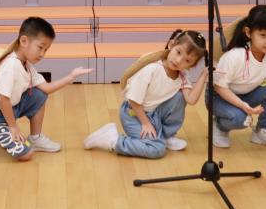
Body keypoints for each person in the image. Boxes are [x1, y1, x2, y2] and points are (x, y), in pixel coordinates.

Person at [0, 17, 92, 160]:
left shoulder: (26, 65)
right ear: (24, 41)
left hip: (9, 109)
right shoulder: (11, 66)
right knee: (26, 153)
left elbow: (46, 88)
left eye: (46, 50)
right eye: (40, 47)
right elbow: (2, 98)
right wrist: (13, 127)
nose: (42, 54)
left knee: (39, 94)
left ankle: (35, 137)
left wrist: (71, 76)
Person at [84, 29, 208, 158]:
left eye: (187, 61)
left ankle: (165, 136)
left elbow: (191, 99)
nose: (178, 60)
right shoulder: (151, 69)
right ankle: (112, 140)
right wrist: (146, 123)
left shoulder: (182, 75)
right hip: (134, 114)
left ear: (191, 65)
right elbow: (133, 100)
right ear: (171, 45)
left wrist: (204, 75)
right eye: (178, 52)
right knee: (156, 149)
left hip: (154, 113)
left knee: (180, 97)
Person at [211, 5, 266, 150]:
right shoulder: (235, 56)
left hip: (246, 94)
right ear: (249, 33)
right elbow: (219, 87)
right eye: (263, 35)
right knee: (241, 119)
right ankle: (219, 125)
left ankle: (263, 130)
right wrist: (242, 105)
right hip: (220, 97)